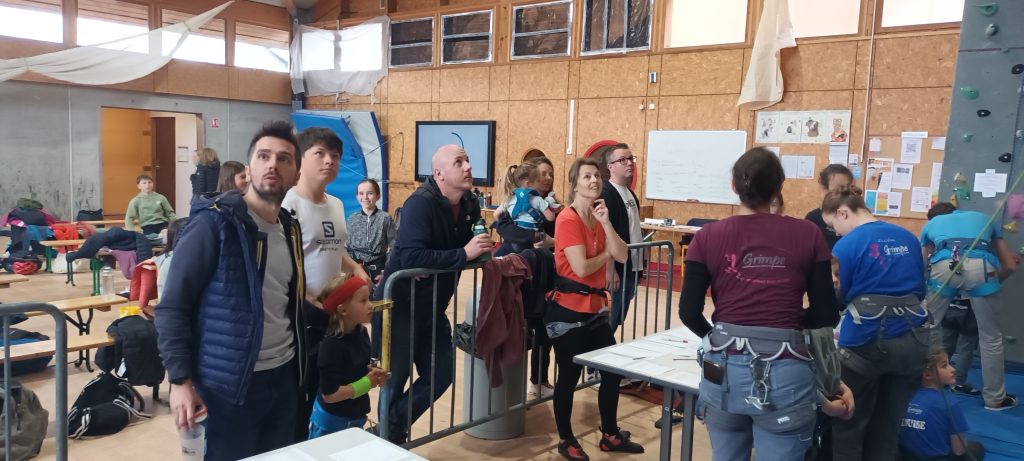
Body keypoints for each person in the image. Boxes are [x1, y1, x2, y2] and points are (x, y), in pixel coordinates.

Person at [155, 120, 309, 461]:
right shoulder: (214, 225)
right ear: (249, 168)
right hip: (229, 386)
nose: (272, 165)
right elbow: (173, 307)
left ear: (296, 174)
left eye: (284, 159)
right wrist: (180, 380)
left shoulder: (290, 228)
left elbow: (283, 302)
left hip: (284, 378)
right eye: (263, 156)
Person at [678, 147, 842, 461]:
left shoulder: (708, 236)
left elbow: (688, 312)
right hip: (786, 368)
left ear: (734, 186)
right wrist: (787, 324)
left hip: (723, 367)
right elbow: (826, 314)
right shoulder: (808, 234)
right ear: (779, 187)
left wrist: (718, 336)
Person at [373, 144, 492, 444]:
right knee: (393, 381)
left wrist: (468, 252)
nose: (468, 166)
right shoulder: (419, 204)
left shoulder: (470, 203)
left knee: (441, 375)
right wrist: (462, 255)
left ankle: (388, 430)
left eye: (468, 160)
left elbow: (469, 249)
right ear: (439, 173)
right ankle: (387, 441)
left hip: (434, 307)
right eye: (459, 162)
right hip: (399, 307)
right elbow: (412, 256)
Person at [821, 185, 929, 461]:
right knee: (889, 425)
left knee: (848, 419)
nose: (835, 233)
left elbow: (839, 294)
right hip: (913, 338)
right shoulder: (908, 237)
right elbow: (920, 289)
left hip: (866, 340)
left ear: (843, 213)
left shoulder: (847, 245)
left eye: (833, 225)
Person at [546, 157, 642, 460]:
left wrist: (606, 224)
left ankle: (610, 435)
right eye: (587, 176)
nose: (594, 180)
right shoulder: (568, 219)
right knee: (569, 377)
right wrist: (606, 254)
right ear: (575, 184)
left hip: (595, 310)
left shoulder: (600, 215)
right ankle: (566, 439)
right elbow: (582, 267)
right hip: (567, 311)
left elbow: (623, 255)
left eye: (597, 176)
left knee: (612, 373)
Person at [282, 127, 371, 441]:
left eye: (334, 155)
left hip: (333, 316)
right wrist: (308, 299)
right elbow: (285, 262)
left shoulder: (335, 203)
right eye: (319, 153)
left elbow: (334, 248)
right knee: (303, 397)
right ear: (300, 158)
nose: (329, 161)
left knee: (333, 391)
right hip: (302, 317)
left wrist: (355, 267)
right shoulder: (288, 204)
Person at [920, 202, 1018, 411]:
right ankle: (995, 399)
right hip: (982, 268)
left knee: (928, 328)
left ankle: (924, 386)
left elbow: (921, 267)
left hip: (944, 266)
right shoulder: (987, 220)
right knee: (991, 338)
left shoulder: (932, 224)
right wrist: (991, 285)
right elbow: (1009, 265)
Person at [308, 274, 388, 439]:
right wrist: (367, 383)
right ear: (343, 310)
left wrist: (372, 373)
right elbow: (330, 395)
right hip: (331, 423)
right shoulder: (331, 345)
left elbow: (353, 368)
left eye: (369, 299)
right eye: (363, 301)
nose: (370, 305)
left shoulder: (362, 332)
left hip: (354, 415)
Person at [899, 348, 986, 461]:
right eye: (944, 366)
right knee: (976, 448)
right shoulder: (950, 403)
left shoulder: (902, 398)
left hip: (904, 456)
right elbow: (959, 451)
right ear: (927, 374)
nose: (953, 369)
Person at [598, 143, 644, 333]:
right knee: (608, 323)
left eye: (631, 158)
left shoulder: (630, 193)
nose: (629, 163)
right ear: (611, 166)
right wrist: (610, 269)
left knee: (617, 321)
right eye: (623, 160)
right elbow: (604, 232)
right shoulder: (607, 193)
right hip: (617, 269)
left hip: (631, 268)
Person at [496, 163, 557, 252]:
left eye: (551, 175)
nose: (548, 178)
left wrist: (553, 242)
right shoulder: (538, 201)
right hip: (521, 250)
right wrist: (534, 236)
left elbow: (496, 214)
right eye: (543, 174)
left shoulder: (510, 199)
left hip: (526, 250)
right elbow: (501, 227)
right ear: (529, 183)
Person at [346, 178, 396, 283]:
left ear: (377, 196)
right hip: (355, 270)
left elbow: (394, 246)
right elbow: (347, 247)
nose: (365, 197)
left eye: (370, 193)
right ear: (357, 196)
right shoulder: (352, 219)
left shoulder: (385, 218)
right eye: (361, 193)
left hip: (378, 271)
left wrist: (387, 270)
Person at [806, 165, 853, 249]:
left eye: (847, 189)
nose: (843, 194)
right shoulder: (813, 218)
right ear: (825, 189)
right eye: (837, 190)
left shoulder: (857, 216)